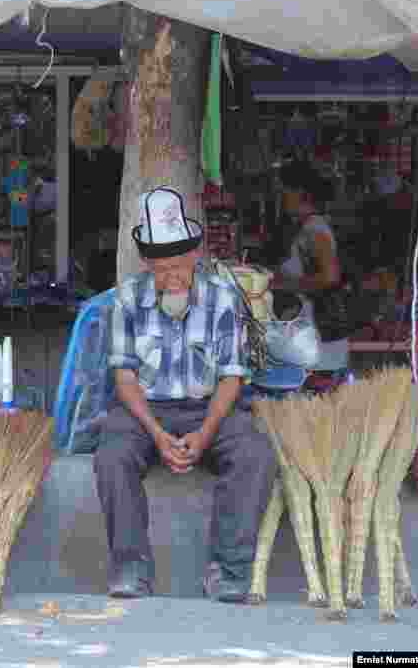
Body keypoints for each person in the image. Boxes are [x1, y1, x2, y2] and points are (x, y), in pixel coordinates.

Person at [94, 186, 276, 603]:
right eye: (161, 270)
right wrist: (158, 434)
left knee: (254, 454)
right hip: (145, 410)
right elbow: (124, 377)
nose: (171, 278)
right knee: (111, 457)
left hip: (209, 407)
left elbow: (232, 376)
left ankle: (229, 571)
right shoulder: (127, 299)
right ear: (146, 263)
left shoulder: (223, 298)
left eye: (178, 266)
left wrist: (207, 432)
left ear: (195, 257)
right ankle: (130, 568)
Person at [271, 159, 351, 384]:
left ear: (300, 192)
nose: (280, 197)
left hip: (321, 338)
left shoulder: (315, 229)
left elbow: (329, 277)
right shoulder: (304, 229)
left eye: (284, 191)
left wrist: (280, 284)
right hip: (310, 336)